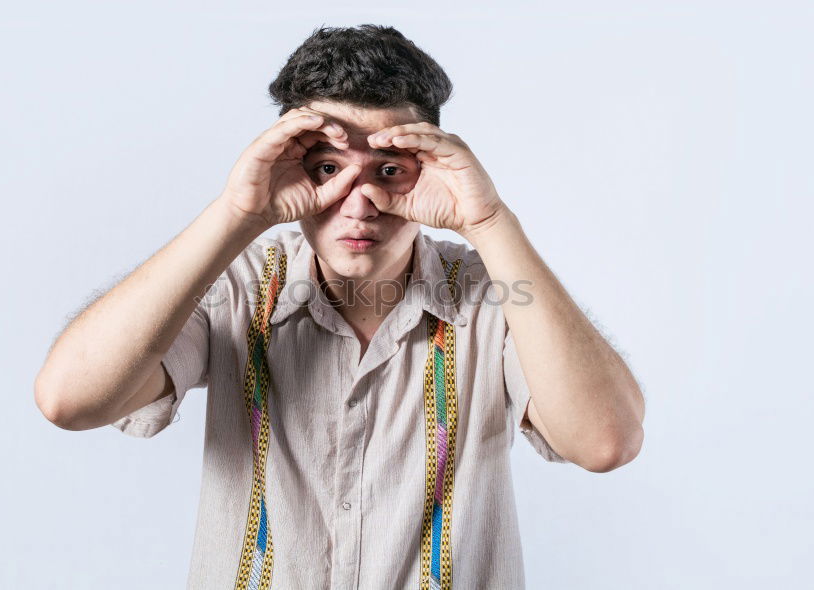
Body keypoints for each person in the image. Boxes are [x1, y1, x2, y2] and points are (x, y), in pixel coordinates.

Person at [34, 24, 645, 589]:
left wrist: (488, 220)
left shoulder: (490, 293)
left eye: (388, 169)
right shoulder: (239, 284)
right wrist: (236, 215)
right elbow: (70, 400)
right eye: (328, 168)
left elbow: (605, 442)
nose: (360, 202)